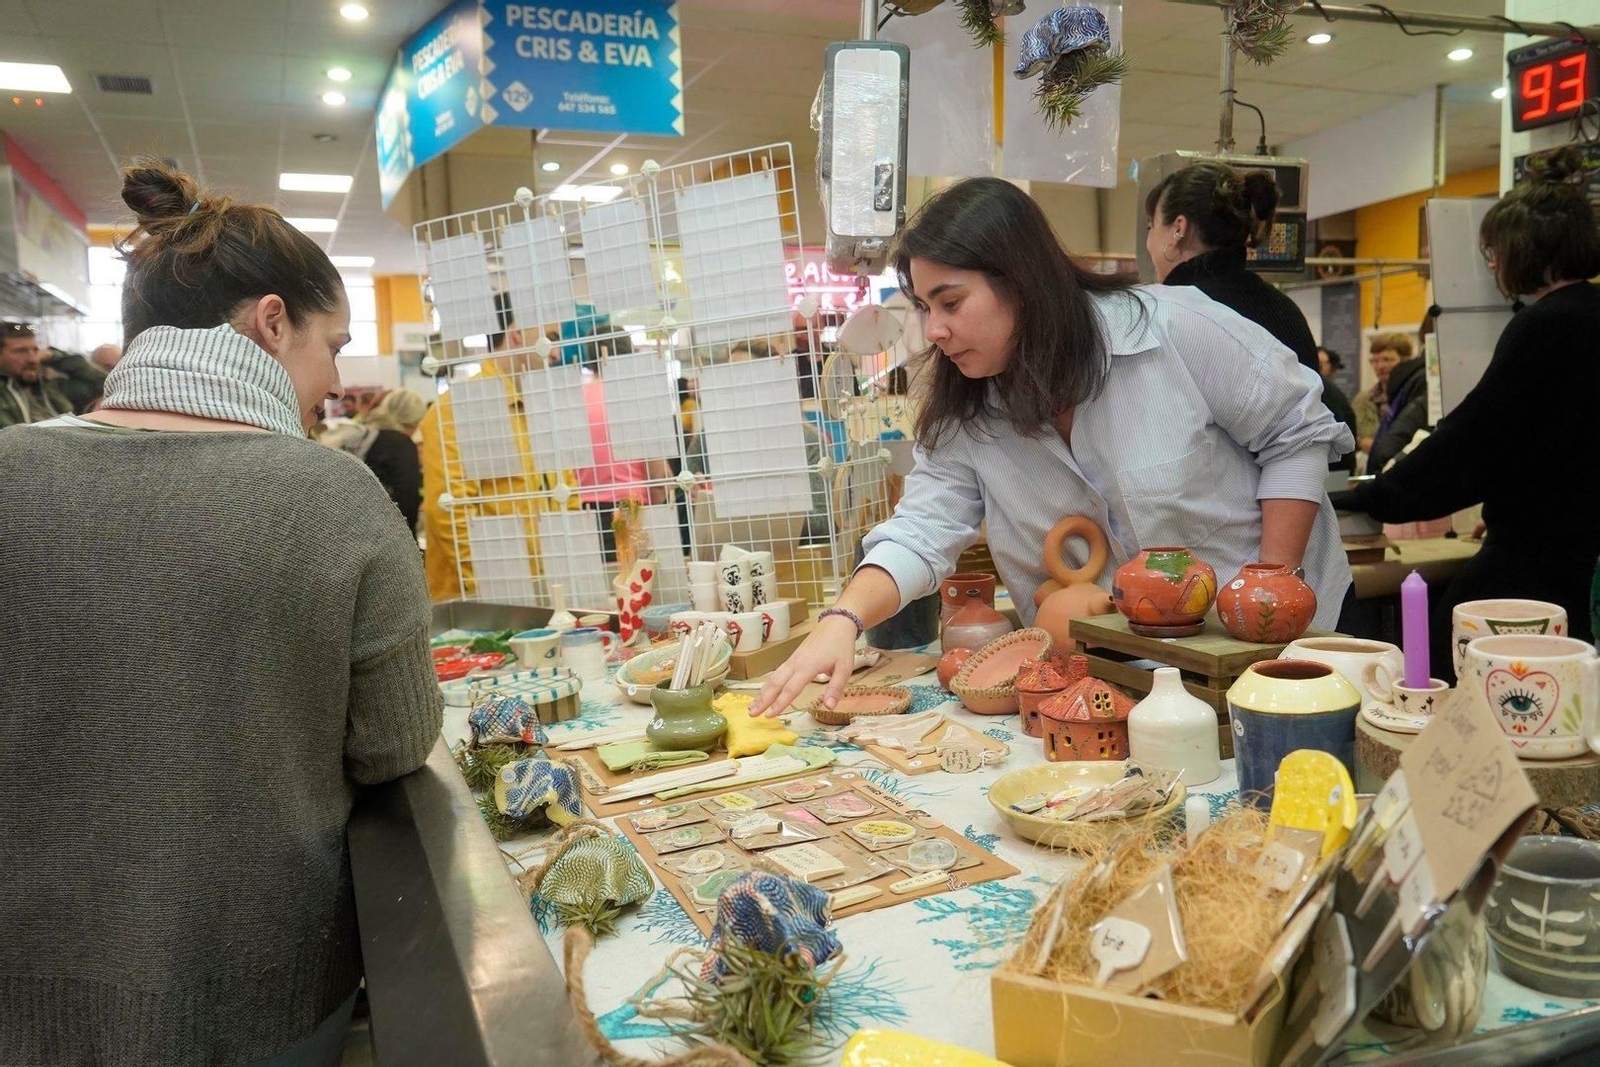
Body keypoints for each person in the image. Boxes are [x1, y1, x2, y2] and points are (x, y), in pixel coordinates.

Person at [0, 160, 440, 1065]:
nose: (332, 375)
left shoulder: (10, 470)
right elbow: (393, 740)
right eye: (331, 343)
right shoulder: (334, 496)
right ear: (272, 322)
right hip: (255, 989)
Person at [752, 177, 1353, 716]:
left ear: (1022, 282)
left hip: (1278, 653)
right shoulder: (968, 406)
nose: (933, 330)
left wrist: (1274, 594)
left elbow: (1296, 435)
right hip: (1116, 678)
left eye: (951, 302)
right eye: (924, 307)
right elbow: (922, 530)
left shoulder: (1172, 330)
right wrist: (843, 618)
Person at [1332, 146, 1600, 678]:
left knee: (1447, 662)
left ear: (1526, 249)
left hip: (1550, 560)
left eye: (1495, 252)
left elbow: (1476, 441)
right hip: (1582, 554)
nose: (1494, 265)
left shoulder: (1546, 326)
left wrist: (1375, 496)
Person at [1144, 161, 1356, 471]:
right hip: (1291, 497)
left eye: (1151, 227)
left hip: (1202, 508)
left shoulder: (1166, 314)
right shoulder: (1284, 311)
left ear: (1178, 228)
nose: (1149, 241)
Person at [418, 292, 542, 600]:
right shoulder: (458, 409)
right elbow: (449, 509)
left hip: (538, 591)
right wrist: (492, 588)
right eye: (549, 336)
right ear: (517, 334)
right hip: (481, 604)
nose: (555, 350)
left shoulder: (537, 409)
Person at [363, 388, 428, 532]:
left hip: (364, 526)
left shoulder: (370, 436)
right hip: (391, 533)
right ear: (414, 421)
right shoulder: (403, 446)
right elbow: (407, 498)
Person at [0, 322, 73, 427]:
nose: (33, 359)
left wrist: (51, 355)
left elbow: (96, 379)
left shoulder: (41, 383)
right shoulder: (5, 395)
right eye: (21, 351)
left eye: (35, 350)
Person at [1354, 333, 1410, 453]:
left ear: (1406, 360)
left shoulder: (1411, 395)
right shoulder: (1363, 400)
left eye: (1387, 359)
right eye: (1375, 360)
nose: (1380, 366)